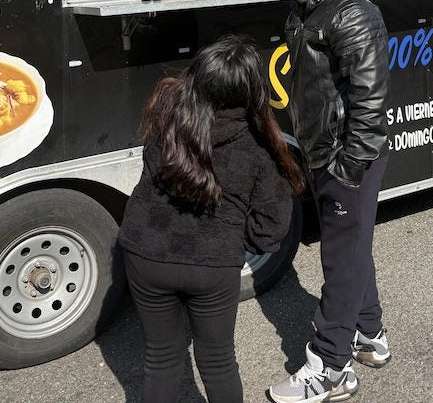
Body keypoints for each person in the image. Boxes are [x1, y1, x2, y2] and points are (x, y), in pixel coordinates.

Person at [119, 35, 305, 403]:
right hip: (213, 266)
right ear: (252, 90)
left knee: (161, 358)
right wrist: (233, 244)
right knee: (218, 361)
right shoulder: (260, 143)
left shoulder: (164, 115)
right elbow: (271, 229)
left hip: (144, 252)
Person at [267, 0, 391, 403]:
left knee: (339, 257)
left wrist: (348, 167)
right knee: (352, 246)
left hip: (346, 157)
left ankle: (329, 367)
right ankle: (370, 335)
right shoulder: (305, 10)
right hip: (323, 151)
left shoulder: (354, 15)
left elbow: (370, 102)